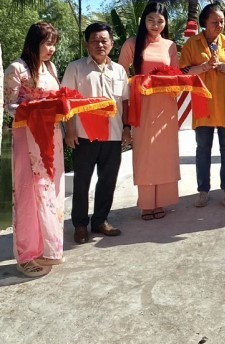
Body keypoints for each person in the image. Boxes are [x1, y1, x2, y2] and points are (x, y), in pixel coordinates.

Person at [3, 22, 63, 277]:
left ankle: (48, 248)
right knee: (28, 195)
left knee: (51, 192)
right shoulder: (17, 69)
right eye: (47, 43)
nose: (51, 49)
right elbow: (9, 106)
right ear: (33, 42)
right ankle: (25, 255)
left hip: (51, 136)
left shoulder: (50, 68)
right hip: (27, 138)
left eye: (54, 44)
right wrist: (37, 108)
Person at [61, 23, 130, 244]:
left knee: (108, 180)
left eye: (104, 40)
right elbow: (67, 101)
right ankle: (80, 225)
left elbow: (125, 102)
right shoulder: (76, 68)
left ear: (111, 43)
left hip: (113, 134)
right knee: (82, 182)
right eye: (94, 40)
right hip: (84, 135)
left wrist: (127, 128)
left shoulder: (119, 70)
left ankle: (100, 220)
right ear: (87, 43)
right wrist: (70, 129)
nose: (100, 44)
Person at [180, 3, 225, 208]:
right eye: (214, 22)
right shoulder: (192, 44)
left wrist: (221, 67)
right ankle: (203, 191)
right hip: (203, 104)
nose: (219, 25)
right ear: (204, 23)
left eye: (222, 21)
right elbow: (183, 73)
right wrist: (205, 67)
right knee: (203, 149)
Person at [118, 1, 180, 220]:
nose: (155, 25)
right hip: (141, 106)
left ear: (166, 23)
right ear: (143, 21)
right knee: (144, 153)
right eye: (151, 20)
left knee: (164, 153)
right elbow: (119, 76)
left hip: (166, 107)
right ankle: (146, 203)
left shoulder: (170, 46)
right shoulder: (131, 44)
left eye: (160, 21)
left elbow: (176, 75)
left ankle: (162, 201)